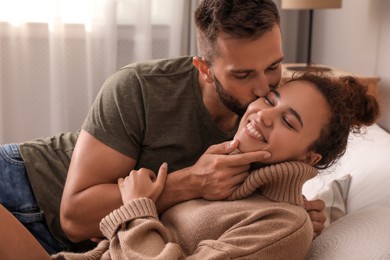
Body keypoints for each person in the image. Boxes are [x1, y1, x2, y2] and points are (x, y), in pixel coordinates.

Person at [0, 0, 326, 254]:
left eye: (272, 67)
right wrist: (190, 183)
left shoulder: (264, 118)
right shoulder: (139, 86)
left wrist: (297, 208)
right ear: (205, 70)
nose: (263, 90)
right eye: (242, 75)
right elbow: (73, 219)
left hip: (93, 247)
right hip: (26, 187)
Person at [0, 72, 380, 259]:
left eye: (289, 121)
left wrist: (135, 212)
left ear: (309, 157)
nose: (264, 115)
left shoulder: (285, 223)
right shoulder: (225, 176)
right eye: (271, 100)